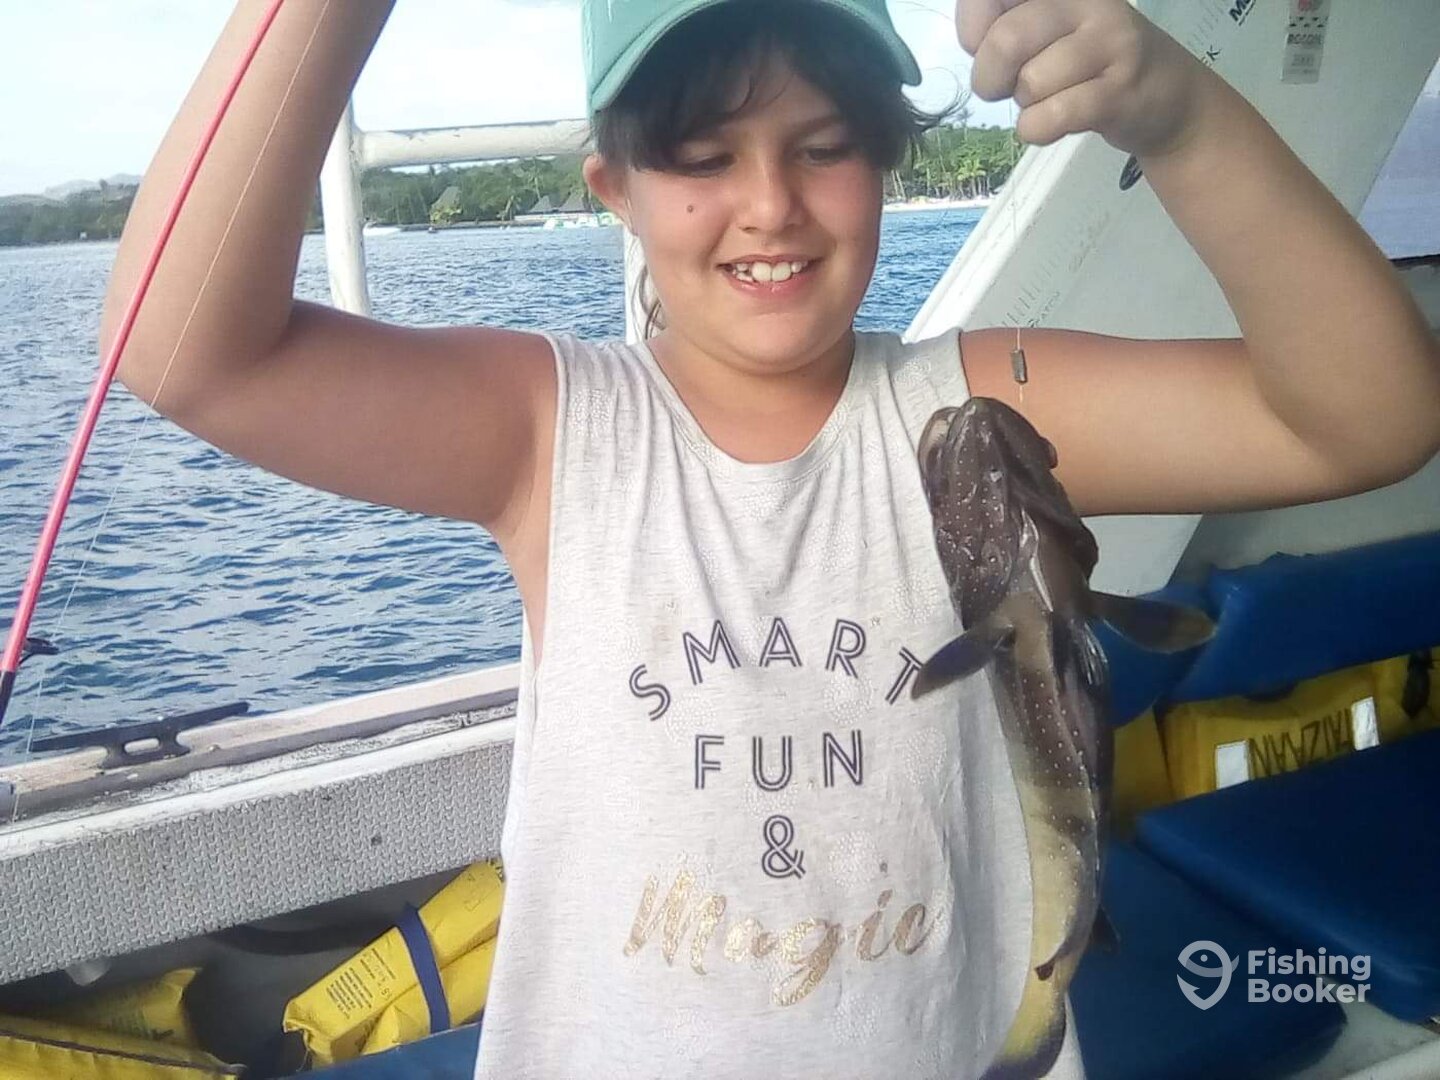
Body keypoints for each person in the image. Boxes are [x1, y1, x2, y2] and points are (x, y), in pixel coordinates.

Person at [105, 0, 1440, 1076]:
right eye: (701, 155)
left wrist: (1183, 117)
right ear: (614, 186)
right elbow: (185, 351)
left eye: (823, 144)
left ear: (885, 160)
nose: (770, 205)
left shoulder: (973, 412)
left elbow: (1365, 419)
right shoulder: (550, 428)